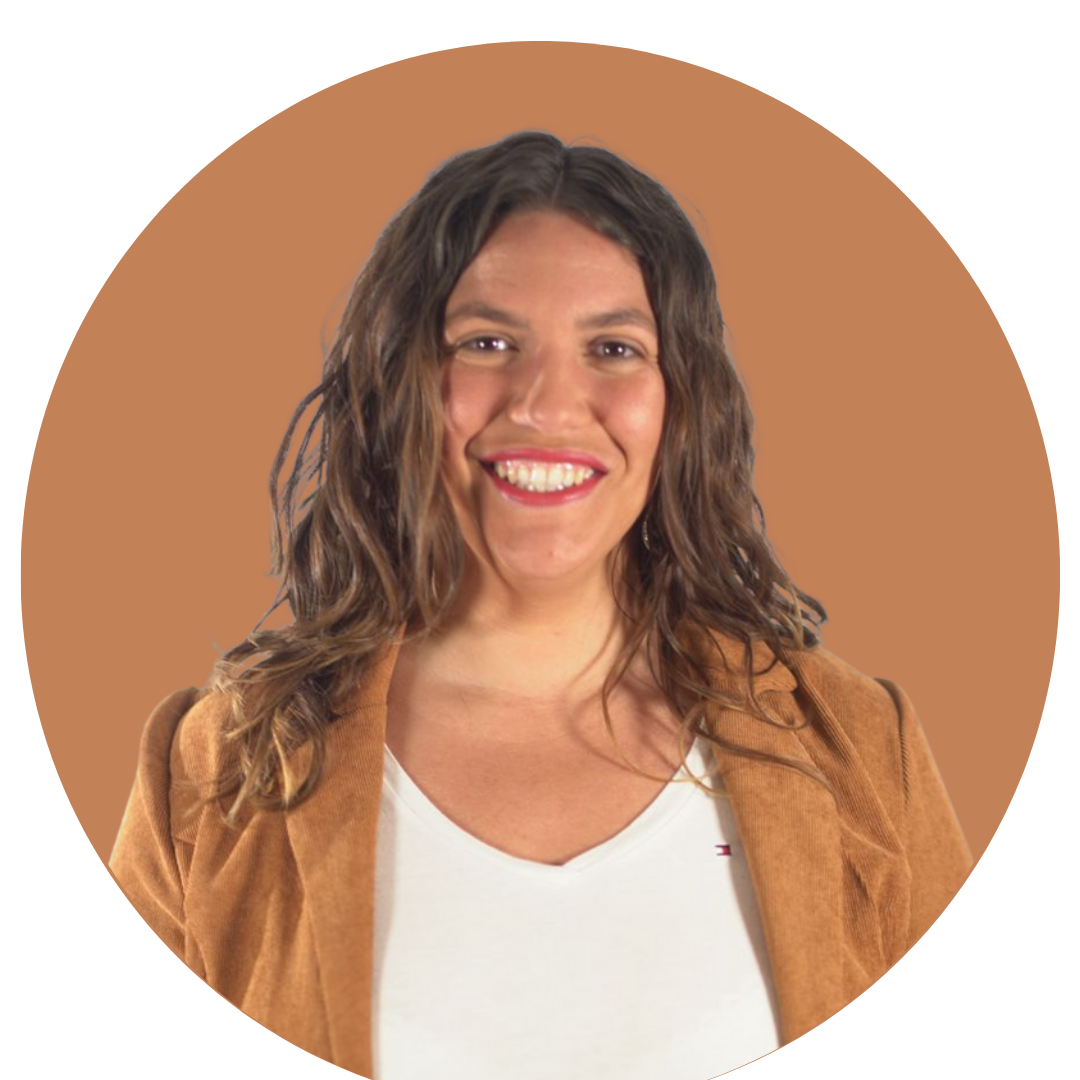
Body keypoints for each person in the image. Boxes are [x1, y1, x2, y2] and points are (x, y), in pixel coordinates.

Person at [111, 131, 972, 1080]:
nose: (549, 402)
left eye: (614, 348)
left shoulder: (858, 748)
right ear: (403, 385)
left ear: (680, 402)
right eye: (487, 342)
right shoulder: (212, 774)